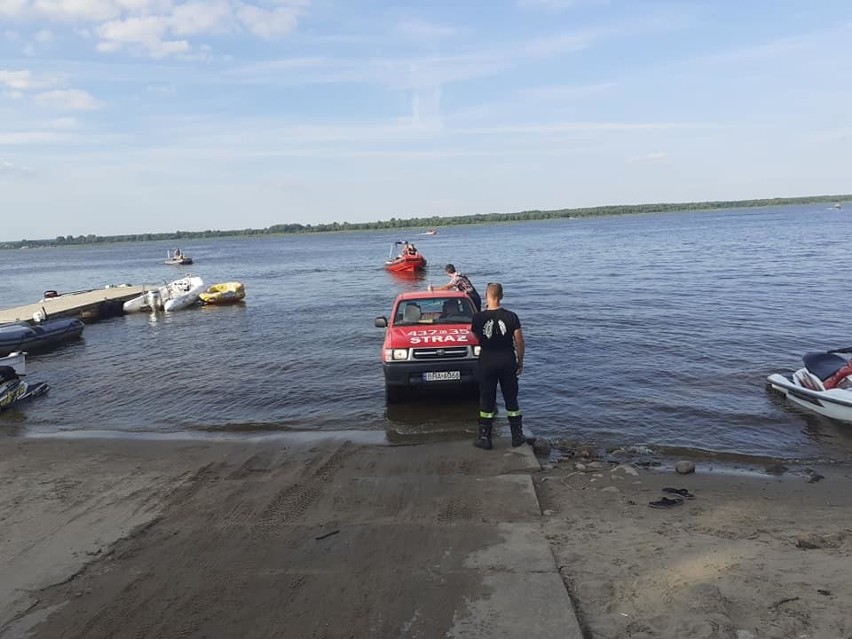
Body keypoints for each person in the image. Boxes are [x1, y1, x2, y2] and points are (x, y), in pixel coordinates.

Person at [470, 282, 525, 450]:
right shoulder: (511, 316)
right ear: (501, 296)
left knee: (486, 400)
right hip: (507, 361)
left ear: (486, 296)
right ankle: (516, 436)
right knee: (511, 399)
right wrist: (520, 361)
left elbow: (474, 337)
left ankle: (485, 438)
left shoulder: (478, 317)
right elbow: (519, 341)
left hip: (487, 362)